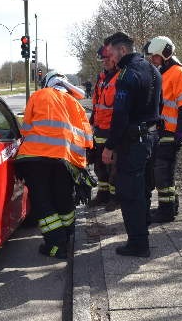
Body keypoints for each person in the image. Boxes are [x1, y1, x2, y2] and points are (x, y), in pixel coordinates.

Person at [16, 70, 93, 258]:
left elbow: (25, 129)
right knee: (63, 197)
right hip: (65, 160)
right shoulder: (76, 104)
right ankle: (66, 237)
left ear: (47, 83)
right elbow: (87, 140)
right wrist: (82, 167)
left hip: (35, 158)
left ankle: (56, 244)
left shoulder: (39, 95)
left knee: (42, 201)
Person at [101, 32, 161, 257]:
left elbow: (120, 116)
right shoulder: (153, 70)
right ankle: (142, 227)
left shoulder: (127, 75)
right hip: (151, 138)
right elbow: (159, 104)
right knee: (144, 188)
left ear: (122, 50)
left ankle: (138, 243)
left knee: (130, 193)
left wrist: (109, 146)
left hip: (133, 142)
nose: (112, 58)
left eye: (112, 53)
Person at [144, 36, 182, 223]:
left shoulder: (179, 73)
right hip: (162, 131)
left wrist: (180, 134)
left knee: (163, 172)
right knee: (163, 172)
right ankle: (170, 206)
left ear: (164, 54)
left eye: (155, 57)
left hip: (172, 131)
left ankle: (166, 211)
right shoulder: (163, 73)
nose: (152, 60)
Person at [88, 45, 119, 210]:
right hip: (100, 129)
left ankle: (115, 197)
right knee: (99, 165)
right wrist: (92, 121)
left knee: (114, 166)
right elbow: (97, 103)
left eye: (108, 58)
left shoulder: (121, 76)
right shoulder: (101, 78)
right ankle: (103, 194)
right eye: (103, 59)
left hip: (113, 129)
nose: (105, 62)